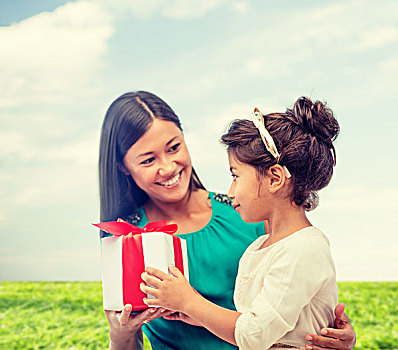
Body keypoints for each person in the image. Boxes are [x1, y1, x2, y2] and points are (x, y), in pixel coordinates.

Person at [98, 91, 356, 350]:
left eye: (174, 147)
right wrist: (119, 334)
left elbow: (296, 300)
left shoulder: (248, 212)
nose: (167, 167)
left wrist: (332, 334)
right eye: (148, 159)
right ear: (123, 166)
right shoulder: (127, 240)